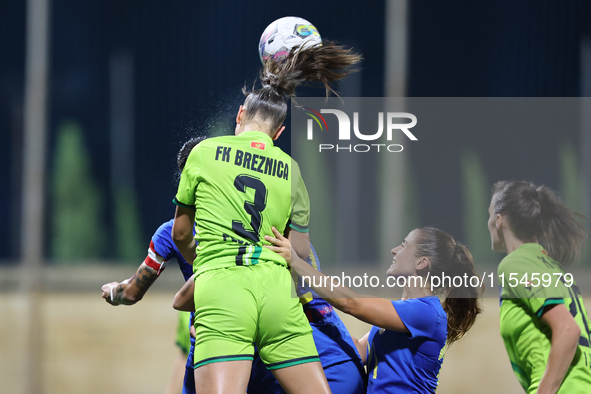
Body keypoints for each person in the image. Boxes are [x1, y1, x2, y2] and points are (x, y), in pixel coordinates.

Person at [171, 43, 362, 394]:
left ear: (241, 114)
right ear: (278, 134)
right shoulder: (291, 169)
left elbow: (181, 233)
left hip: (224, 289)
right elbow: (299, 250)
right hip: (278, 293)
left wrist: (208, 261)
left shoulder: (203, 152)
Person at [264, 226, 483, 393]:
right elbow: (358, 351)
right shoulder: (404, 314)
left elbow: (352, 303)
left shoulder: (427, 313)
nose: (394, 250)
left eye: (404, 245)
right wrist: (312, 314)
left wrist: (298, 262)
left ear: (421, 263)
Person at [173, 243, 366, 394]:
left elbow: (180, 301)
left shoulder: (253, 253)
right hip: (342, 365)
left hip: (318, 371)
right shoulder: (287, 251)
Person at [100, 136, 204, 394]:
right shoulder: (251, 224)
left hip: (210, 335)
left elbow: (132, 293)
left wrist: (114, 291)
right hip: (261, 329)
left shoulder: (171, 232)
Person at [488, 180, 591, 393]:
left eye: (489, 214)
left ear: (499, 220)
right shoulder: (551, 266)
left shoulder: (515, 263)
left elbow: (568, 329)